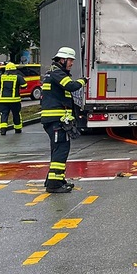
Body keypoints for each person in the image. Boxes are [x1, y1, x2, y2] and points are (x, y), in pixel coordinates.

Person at [41, 47, 88, 193]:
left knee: (58, 149)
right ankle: (54, 185)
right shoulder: (57, 73)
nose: (72, 64)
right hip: (56, 120)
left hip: (56, 120)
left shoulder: (55, 72)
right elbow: (71, 86)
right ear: (62, 60)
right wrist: (83, 81)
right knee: (61, 149)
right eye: (70, 61)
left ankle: (55, 179)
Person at [0, 62, 27, 135]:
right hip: (14, 100)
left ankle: (3, 130)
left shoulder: (1, 77)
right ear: (14, 70)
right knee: (16, 114)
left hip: (2, 100)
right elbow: (24, 85)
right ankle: (18, 129)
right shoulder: (18, 77)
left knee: (3, 114)